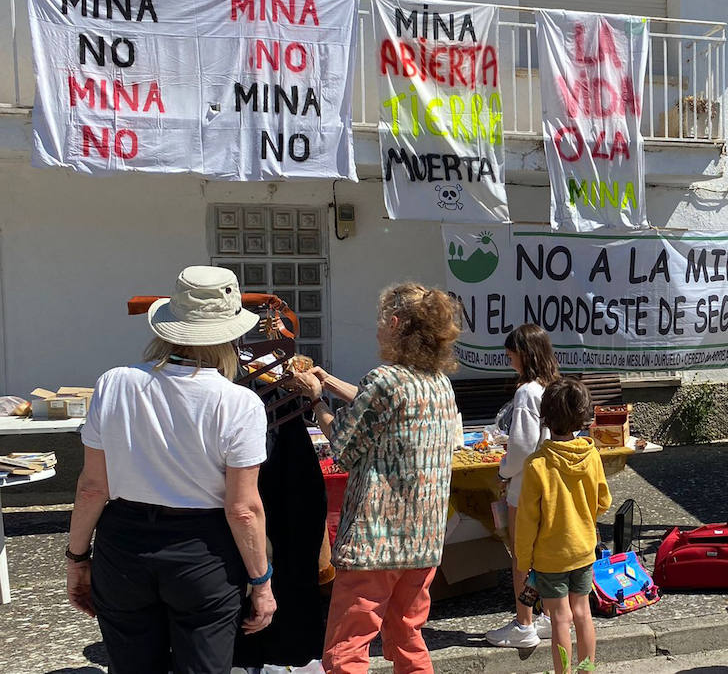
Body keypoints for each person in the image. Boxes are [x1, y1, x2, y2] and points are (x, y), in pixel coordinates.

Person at [67, 266, 276, 672]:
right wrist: (261, 582)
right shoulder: (238, 403)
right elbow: (244, 509)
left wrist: (77, 557)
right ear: (232, 335)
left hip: (124, 541)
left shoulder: (115, 383)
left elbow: (92, 487)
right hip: (203, 549)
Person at [296, 283, 462, 674]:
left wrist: (316, 400)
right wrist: (331, 382)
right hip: (424, 541)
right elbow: (383, 408)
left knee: (347, 647)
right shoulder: (438, 384)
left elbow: (343, 447)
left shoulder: (385, 379)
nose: (376, 329)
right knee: (408, 637)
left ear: (394, 322)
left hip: (376, 540)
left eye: (379, 321)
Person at [514, 378, 612, 674]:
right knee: (583, 613)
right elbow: (603, 500)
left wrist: (523, 557)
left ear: (545, 418)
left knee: (560, 617)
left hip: (549, 556)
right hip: (583, 549)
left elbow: (527, 520)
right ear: (583, 417)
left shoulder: (536, 465)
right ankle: (587, 670)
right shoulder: (592, 454)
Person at [487, 323, 562, 648]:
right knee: (542, 555)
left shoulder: (527, 391)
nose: (508, 358)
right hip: (551, 483)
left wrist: (504, 471)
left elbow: (521, 446)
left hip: (525, 485)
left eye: (511, 353)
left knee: (521, 558)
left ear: (525, 353)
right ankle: (543, 615)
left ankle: (524, 622)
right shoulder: (554, 387)